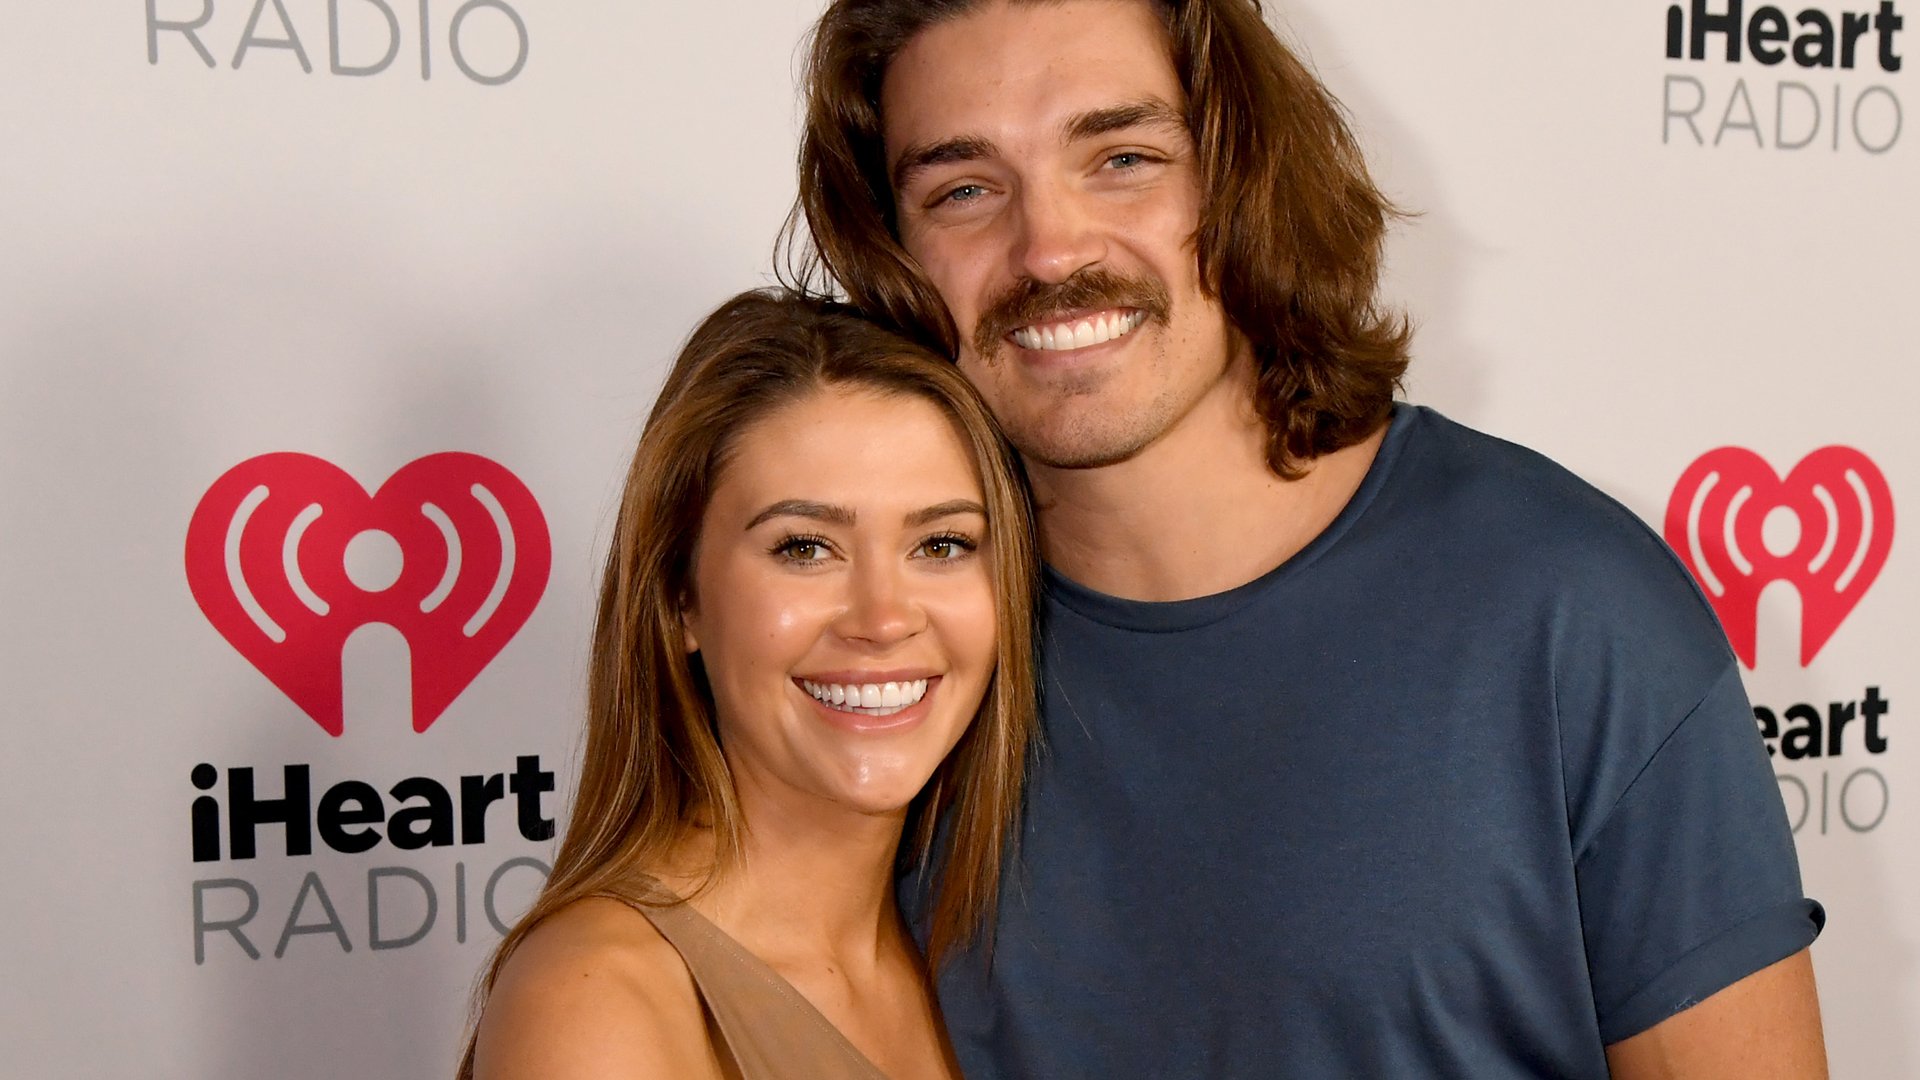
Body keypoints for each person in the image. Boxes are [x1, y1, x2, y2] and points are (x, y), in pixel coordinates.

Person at [781, 1, 1828, 1077]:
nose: (1048, 249)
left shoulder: (1573, 611)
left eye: (1124, 158)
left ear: (1244, 174)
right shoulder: (887, 663)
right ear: (893, 252)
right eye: (964, 191)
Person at [459, 290, 1038, 1079]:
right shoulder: (601, 1000)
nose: (883, 617)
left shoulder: (988, 959)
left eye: (941, 544)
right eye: (804, 548)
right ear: (681, 598)